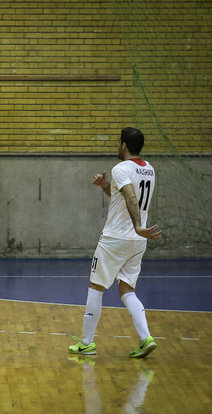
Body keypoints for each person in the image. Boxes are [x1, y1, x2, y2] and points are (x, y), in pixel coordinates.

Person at [68, 127, 162, 358]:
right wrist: (105, 187)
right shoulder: (148, 169)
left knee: (96, 287)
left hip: (115, 239)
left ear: (124, 145)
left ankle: (87, 343)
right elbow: (125, 199)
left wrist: (138, 226)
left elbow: (131, 197)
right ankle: (145, 338)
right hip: (137, 242)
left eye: (118, 142)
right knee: (127, 289)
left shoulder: (121, 168)